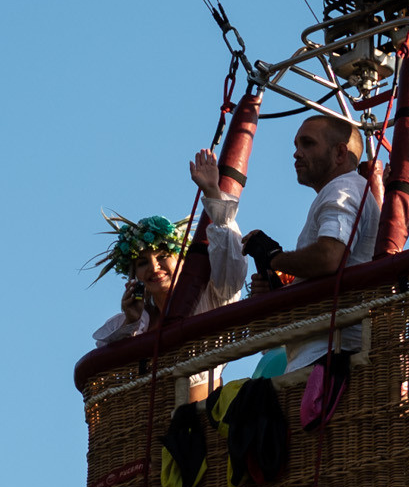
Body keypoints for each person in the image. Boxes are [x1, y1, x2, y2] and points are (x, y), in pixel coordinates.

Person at [90, 149, 248, 402]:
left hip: (201, 422)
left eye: (163, 256)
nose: (154, 268)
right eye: (142, 263)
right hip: (150, 431)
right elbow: (111, 373)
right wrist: (130, 323)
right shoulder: (134, 321)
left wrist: (211, 192)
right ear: (134, 275)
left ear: (183, 258)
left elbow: (232, 259)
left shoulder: (212, 295)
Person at [241, 114, 382, 375]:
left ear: (340, 152)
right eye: (296, 145)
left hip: (330, 357)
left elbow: (330, 257)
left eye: (307, 144)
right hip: (325, 354)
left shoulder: (343, 188)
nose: (296, 153)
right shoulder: (344, 189)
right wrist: (277, 290)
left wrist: (273, 257)